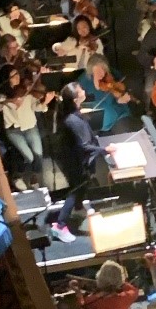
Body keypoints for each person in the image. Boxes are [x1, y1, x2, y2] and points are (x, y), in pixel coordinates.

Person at [52, 81, 117, 243]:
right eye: (81, 91)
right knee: (76, 189)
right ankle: (59, 226)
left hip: (73, 157)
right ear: (75, 99)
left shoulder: (73, 113)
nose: (84, 92)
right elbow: (84, 146)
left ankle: (79, 209)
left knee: (83, 185)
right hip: (74, 161)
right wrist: (105, 150)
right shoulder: (72, 121)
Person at [0, 69, 55, 190]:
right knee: (29, 156)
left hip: (30, 127)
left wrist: (45, 102)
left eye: (17, 74)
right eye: (13, 75)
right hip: (14, 131)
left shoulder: (27, 93)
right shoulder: (2, 95)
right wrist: (10, 101)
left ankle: (34, 177)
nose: (17, 77)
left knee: (38, 154)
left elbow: (36, 107)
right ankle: (17, 176)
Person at [70, 260, 138, 309]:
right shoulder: (127, 296)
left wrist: (77, 292)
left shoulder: (90, 302)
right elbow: (132, 289)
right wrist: (117, 281)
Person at [80, 53, 133, 134]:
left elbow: (125, 88)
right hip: (95, 120)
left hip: (118, 116)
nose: (102, 75)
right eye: (97, 72)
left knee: (124, 134)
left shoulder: (113, 75)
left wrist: (121, 99)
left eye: (104, 70)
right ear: (90, 72)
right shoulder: (83, 81)